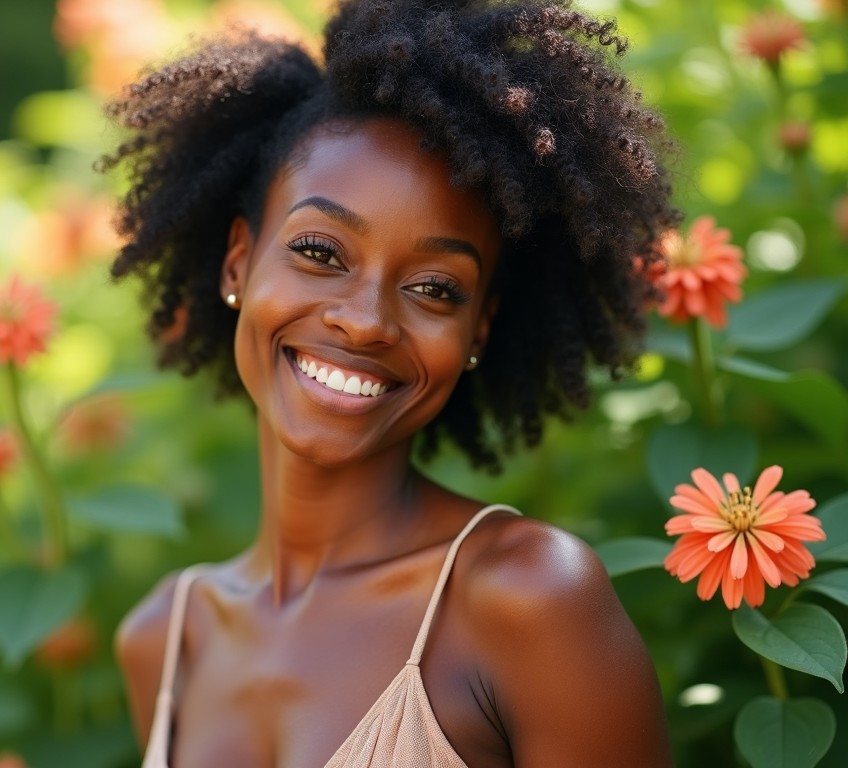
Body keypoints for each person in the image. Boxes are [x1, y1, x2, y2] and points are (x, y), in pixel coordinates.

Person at [103, 1, 677, 765]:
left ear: (478, 328)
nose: (367, 321)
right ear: (238, 262)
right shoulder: (164, 641)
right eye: (320, 251)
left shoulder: (528, 599)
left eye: (436, 288)